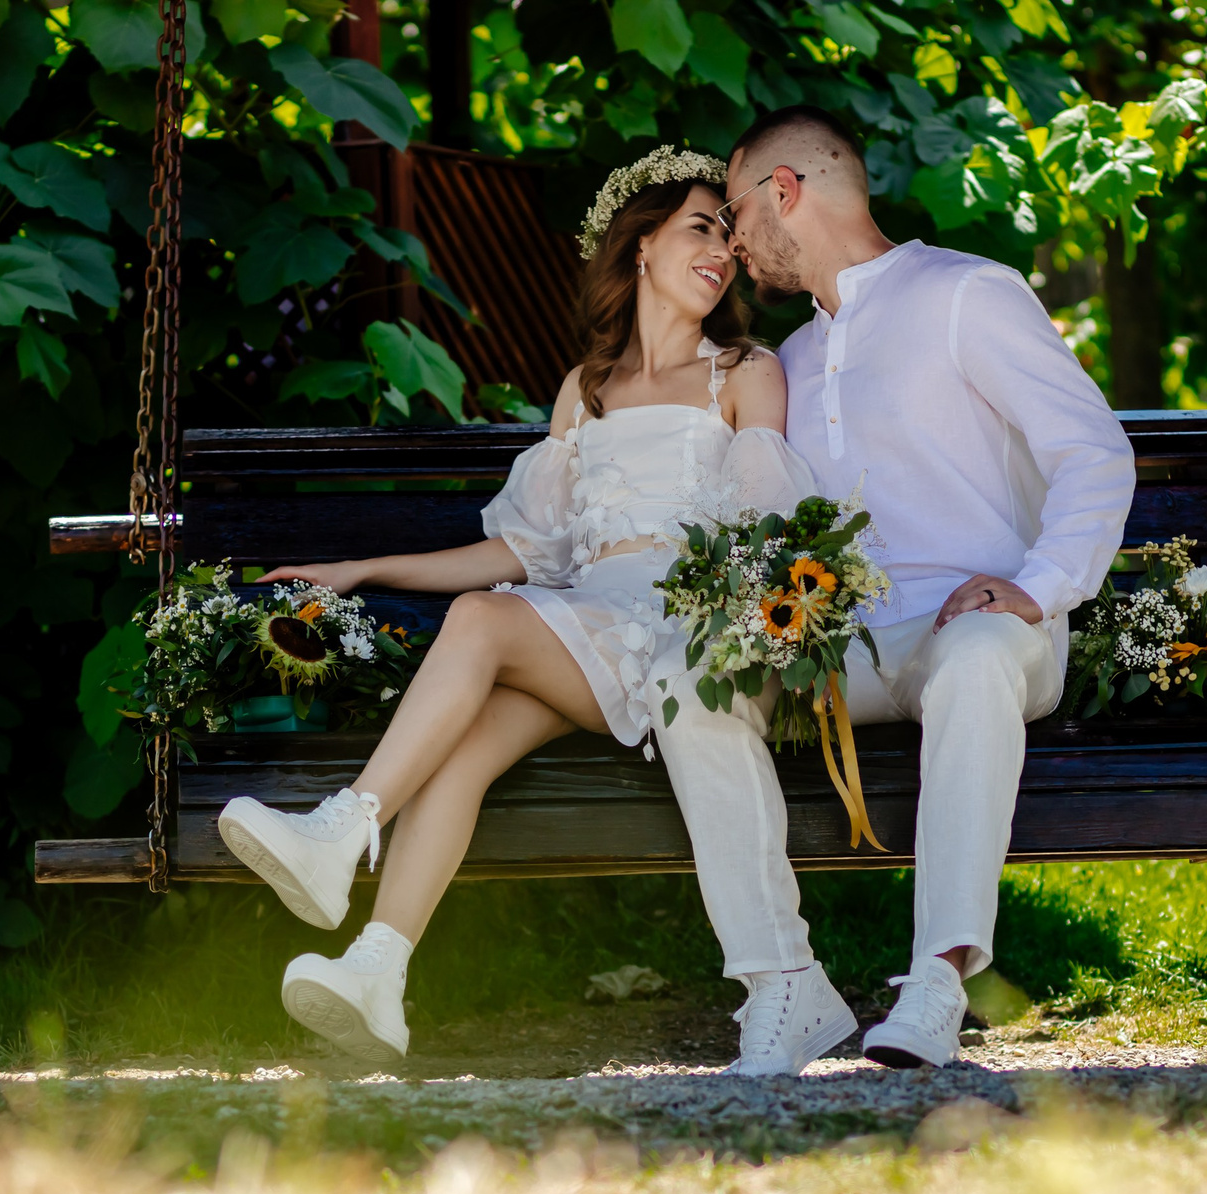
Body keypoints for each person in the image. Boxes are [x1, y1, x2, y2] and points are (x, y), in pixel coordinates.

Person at [214, 148, 817, 1066]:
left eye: (728, 240)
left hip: (677, 631)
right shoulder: (587, 388)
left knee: (483, 620)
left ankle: (344, 827)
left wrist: (735, 626)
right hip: (583, 626)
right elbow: (526, 549)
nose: (722, 253)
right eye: (701, 227)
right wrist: (358, 566)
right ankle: (378, 972)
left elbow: (769, 521)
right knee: (463, 745)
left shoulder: (743, 371)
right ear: (641, 244)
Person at [651, 105, 1137, 1073]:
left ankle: (936, 986)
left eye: (739, 218)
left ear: (784, 190)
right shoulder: (788, 363)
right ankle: (783, 986)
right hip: (853, 651)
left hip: (993, 636)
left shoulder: (966, 296)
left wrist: (1034, 587)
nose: (736, 248)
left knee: (978, 653)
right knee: (684, 678)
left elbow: (1095, 454)